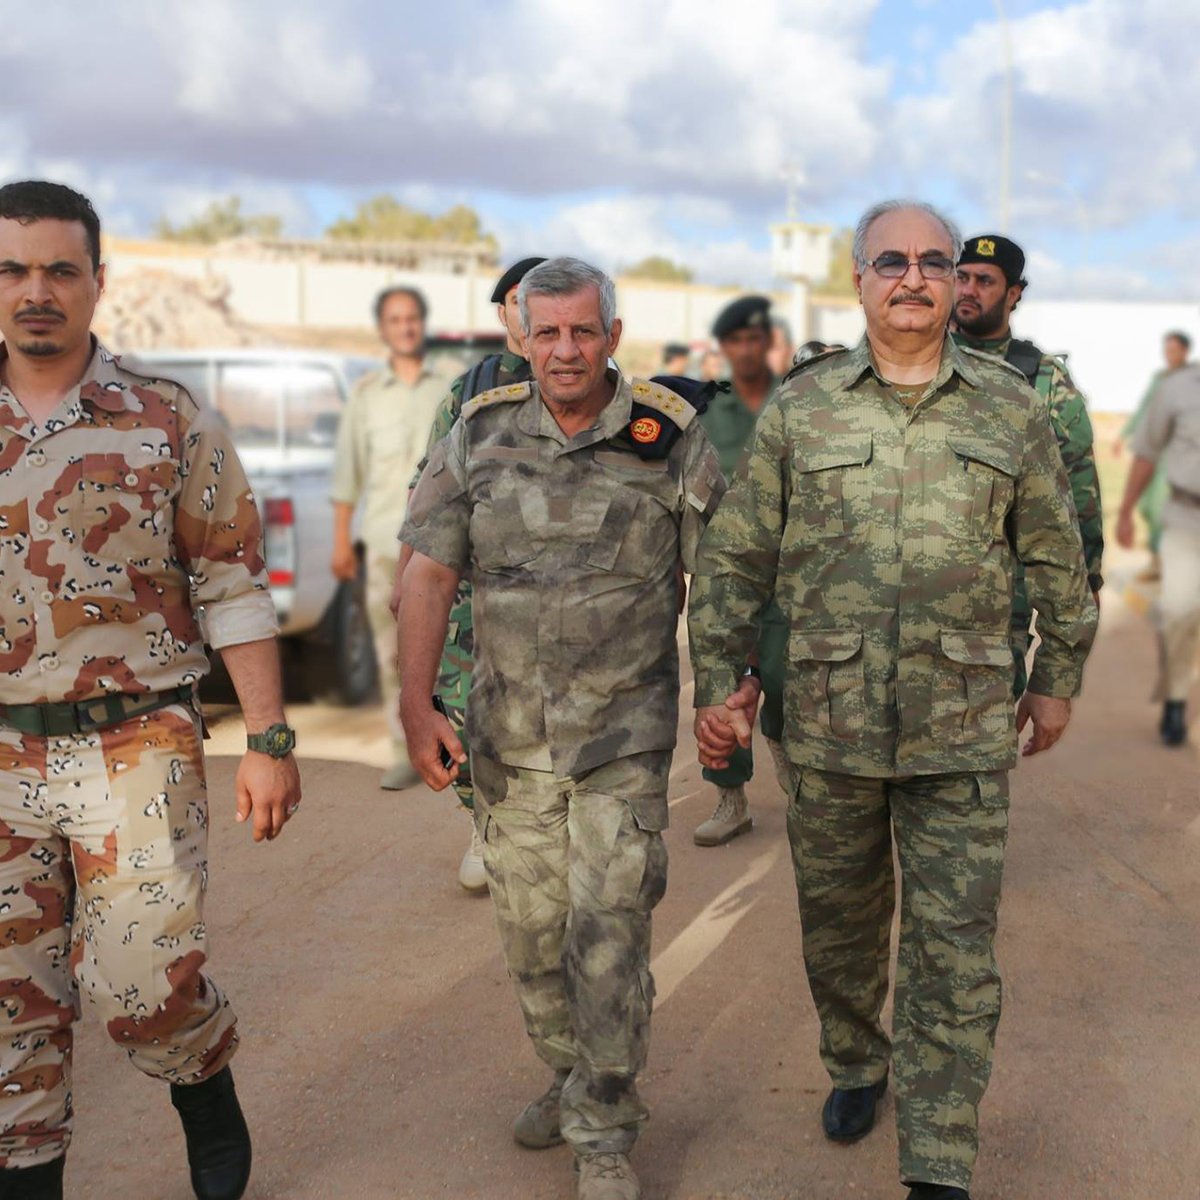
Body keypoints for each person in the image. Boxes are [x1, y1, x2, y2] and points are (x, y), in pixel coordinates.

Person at [688, 200, 1097, 1200]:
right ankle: (856, 1060)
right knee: (839, 930)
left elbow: (1057, 554)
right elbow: (737, 556)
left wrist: (1055, 679)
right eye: (891, 261)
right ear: (860, 280)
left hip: (962, 725)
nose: (913, 277)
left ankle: (939, 1155)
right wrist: (718, 682)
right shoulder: (804, 408)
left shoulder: (1011, 408)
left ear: (958, 282)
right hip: (828, 726)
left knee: (954, 949)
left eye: (933, 262)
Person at [0, 180, 301, 1200]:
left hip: (134, 743)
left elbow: (231, 583)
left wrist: (270, 740)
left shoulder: (167, 416)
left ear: (96, 280)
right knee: (11, 996)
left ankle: (201, 1080)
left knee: (140, 983)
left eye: (59, 269)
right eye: (12, 269)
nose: (35, 291)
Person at [398, 257, 723, 1200]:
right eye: (548, 332)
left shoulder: (670, 437)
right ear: (521, 336)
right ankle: (569, 1072)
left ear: (613, 335)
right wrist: (416, 706)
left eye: (584, 331)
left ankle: (605, 1131)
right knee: (534, 941)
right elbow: (427, 574)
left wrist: (722, 696)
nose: (566, 350)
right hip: (510, 743)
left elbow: (720, 580)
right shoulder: (479, 433)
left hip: (624, 741)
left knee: (609, 936)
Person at [396, 256, 545, 892]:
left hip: (556, 589)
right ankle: (483, 821)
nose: (531, 314)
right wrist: (404, 578)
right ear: (502, 312)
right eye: (519, 301)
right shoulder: (469, 392)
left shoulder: (591, 383)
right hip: (472, 587)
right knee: (460, 711)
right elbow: (425, 491)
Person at [952, 234, 1103, 694]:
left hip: (999, 601)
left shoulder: (1043, 380)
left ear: (1014, 293)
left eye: (985, 281)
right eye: (962, 277)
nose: (968, 290)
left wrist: (1087, 579)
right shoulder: (919, 363)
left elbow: (1077, 489)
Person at [330, 285, 450, 791]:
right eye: (395, 320)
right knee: (387, 651)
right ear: (383, 329)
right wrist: (341, 540)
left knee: (449, 646)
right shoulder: (365, 396)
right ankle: (404, 749)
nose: (405, 327)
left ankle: (451, 740)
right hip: (382, 541)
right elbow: (348, 471)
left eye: (412, 318)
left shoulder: (448, 389)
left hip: (441, 546)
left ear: (423, 324)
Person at [692, 295, 787, 846]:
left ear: (768, 342)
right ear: (724, 347)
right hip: (727, 576)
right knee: (724, 686)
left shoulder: (797, 400)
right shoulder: (708, 411)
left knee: (791, 683)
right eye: (736, 340)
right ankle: (730, 798)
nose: (746, 349)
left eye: (755, 338)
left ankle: (803, 791)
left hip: (791, 577)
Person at [1117, 358, 1200, 746]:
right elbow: (1147, 452)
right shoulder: (1178, 388)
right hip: (1186, 516)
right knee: (1180, 611)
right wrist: (1126, 512)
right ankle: (1176, 698)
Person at [1115, 330, 1190, 581]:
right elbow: (1144, 410)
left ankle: (1163, 563)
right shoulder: (1160, 380)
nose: (1169, 355)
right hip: (1154, 452)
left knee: (1161, 507)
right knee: (1147, 506)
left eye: (1174, 350)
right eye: (1167, 350)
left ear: (1185, 352)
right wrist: (1123, 436)